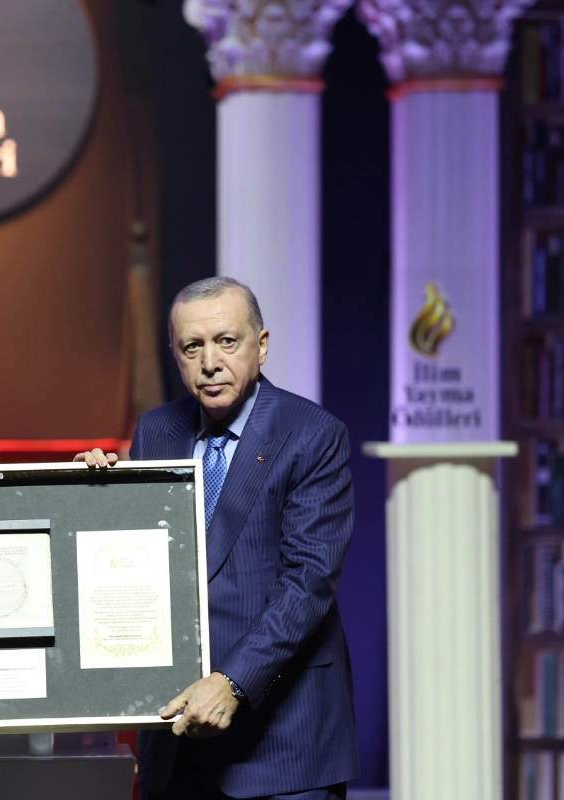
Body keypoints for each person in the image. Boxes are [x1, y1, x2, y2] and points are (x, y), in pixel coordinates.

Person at [79, 277, 359, 800]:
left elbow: (309, 582)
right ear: (176, 355)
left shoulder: (313, 434)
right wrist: (94, 496)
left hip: (284, 742)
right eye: (193, 347)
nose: (210, 362)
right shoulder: (156, 431)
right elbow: (135, 566)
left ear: (262, 345)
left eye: (227, 341)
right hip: (177, 736)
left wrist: (232, 682)